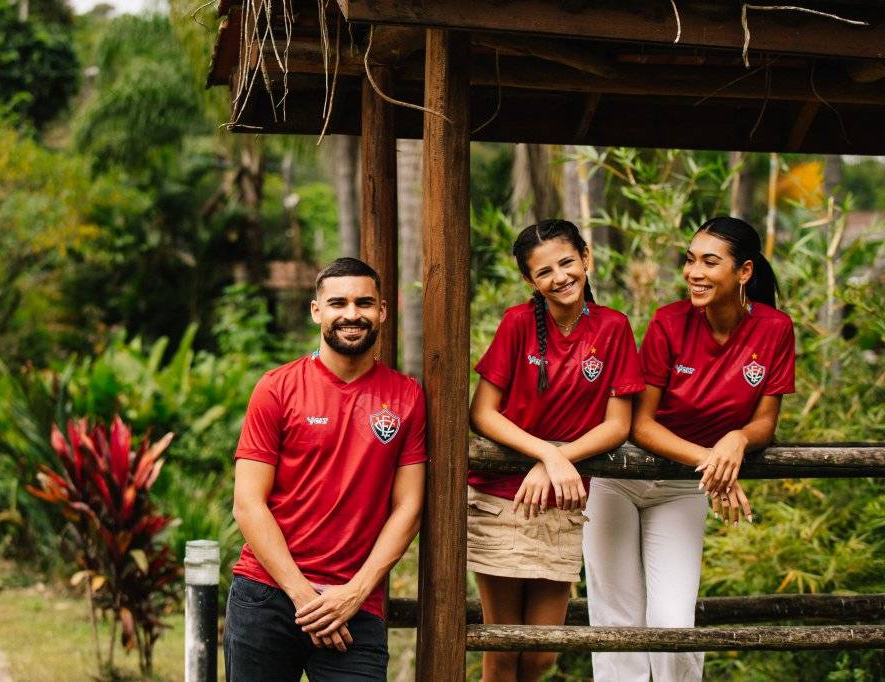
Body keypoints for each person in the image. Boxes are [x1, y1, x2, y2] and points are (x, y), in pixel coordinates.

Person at [583, 216, 796, 682]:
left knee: (675, 626)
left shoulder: (776, 329)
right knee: (616, 623)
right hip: (621, 481)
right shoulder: (668, 322)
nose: (694, 272)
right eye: (690, 259)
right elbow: (640, 425)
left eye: (709, 262)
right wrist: (714, 462)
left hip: (682, 490)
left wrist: (736, 439)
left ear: (744, 272)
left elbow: (765, 422)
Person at [225, 257, 427, 682]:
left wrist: (351, 595)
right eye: (338, 303)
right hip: (269, 593)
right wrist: (306, 598)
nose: (351, 314)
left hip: (357, 601)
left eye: (363, 303)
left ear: (382, 311)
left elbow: (408, 507)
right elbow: (248, 504)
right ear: (317, 311)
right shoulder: (276, 388)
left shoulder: (406, 397)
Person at [468, 220, 645, 682]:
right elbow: (483, 412)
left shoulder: (613, 328)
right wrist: (547, 456)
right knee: (503, 651)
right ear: (530, 281)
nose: (560, 276)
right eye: (544, 271)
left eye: (567, 262)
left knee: (542, 655)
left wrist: (558, 461)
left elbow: (618, 424)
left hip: (564, 502)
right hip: (501, 497)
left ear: (586, 258)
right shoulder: (518, 324)